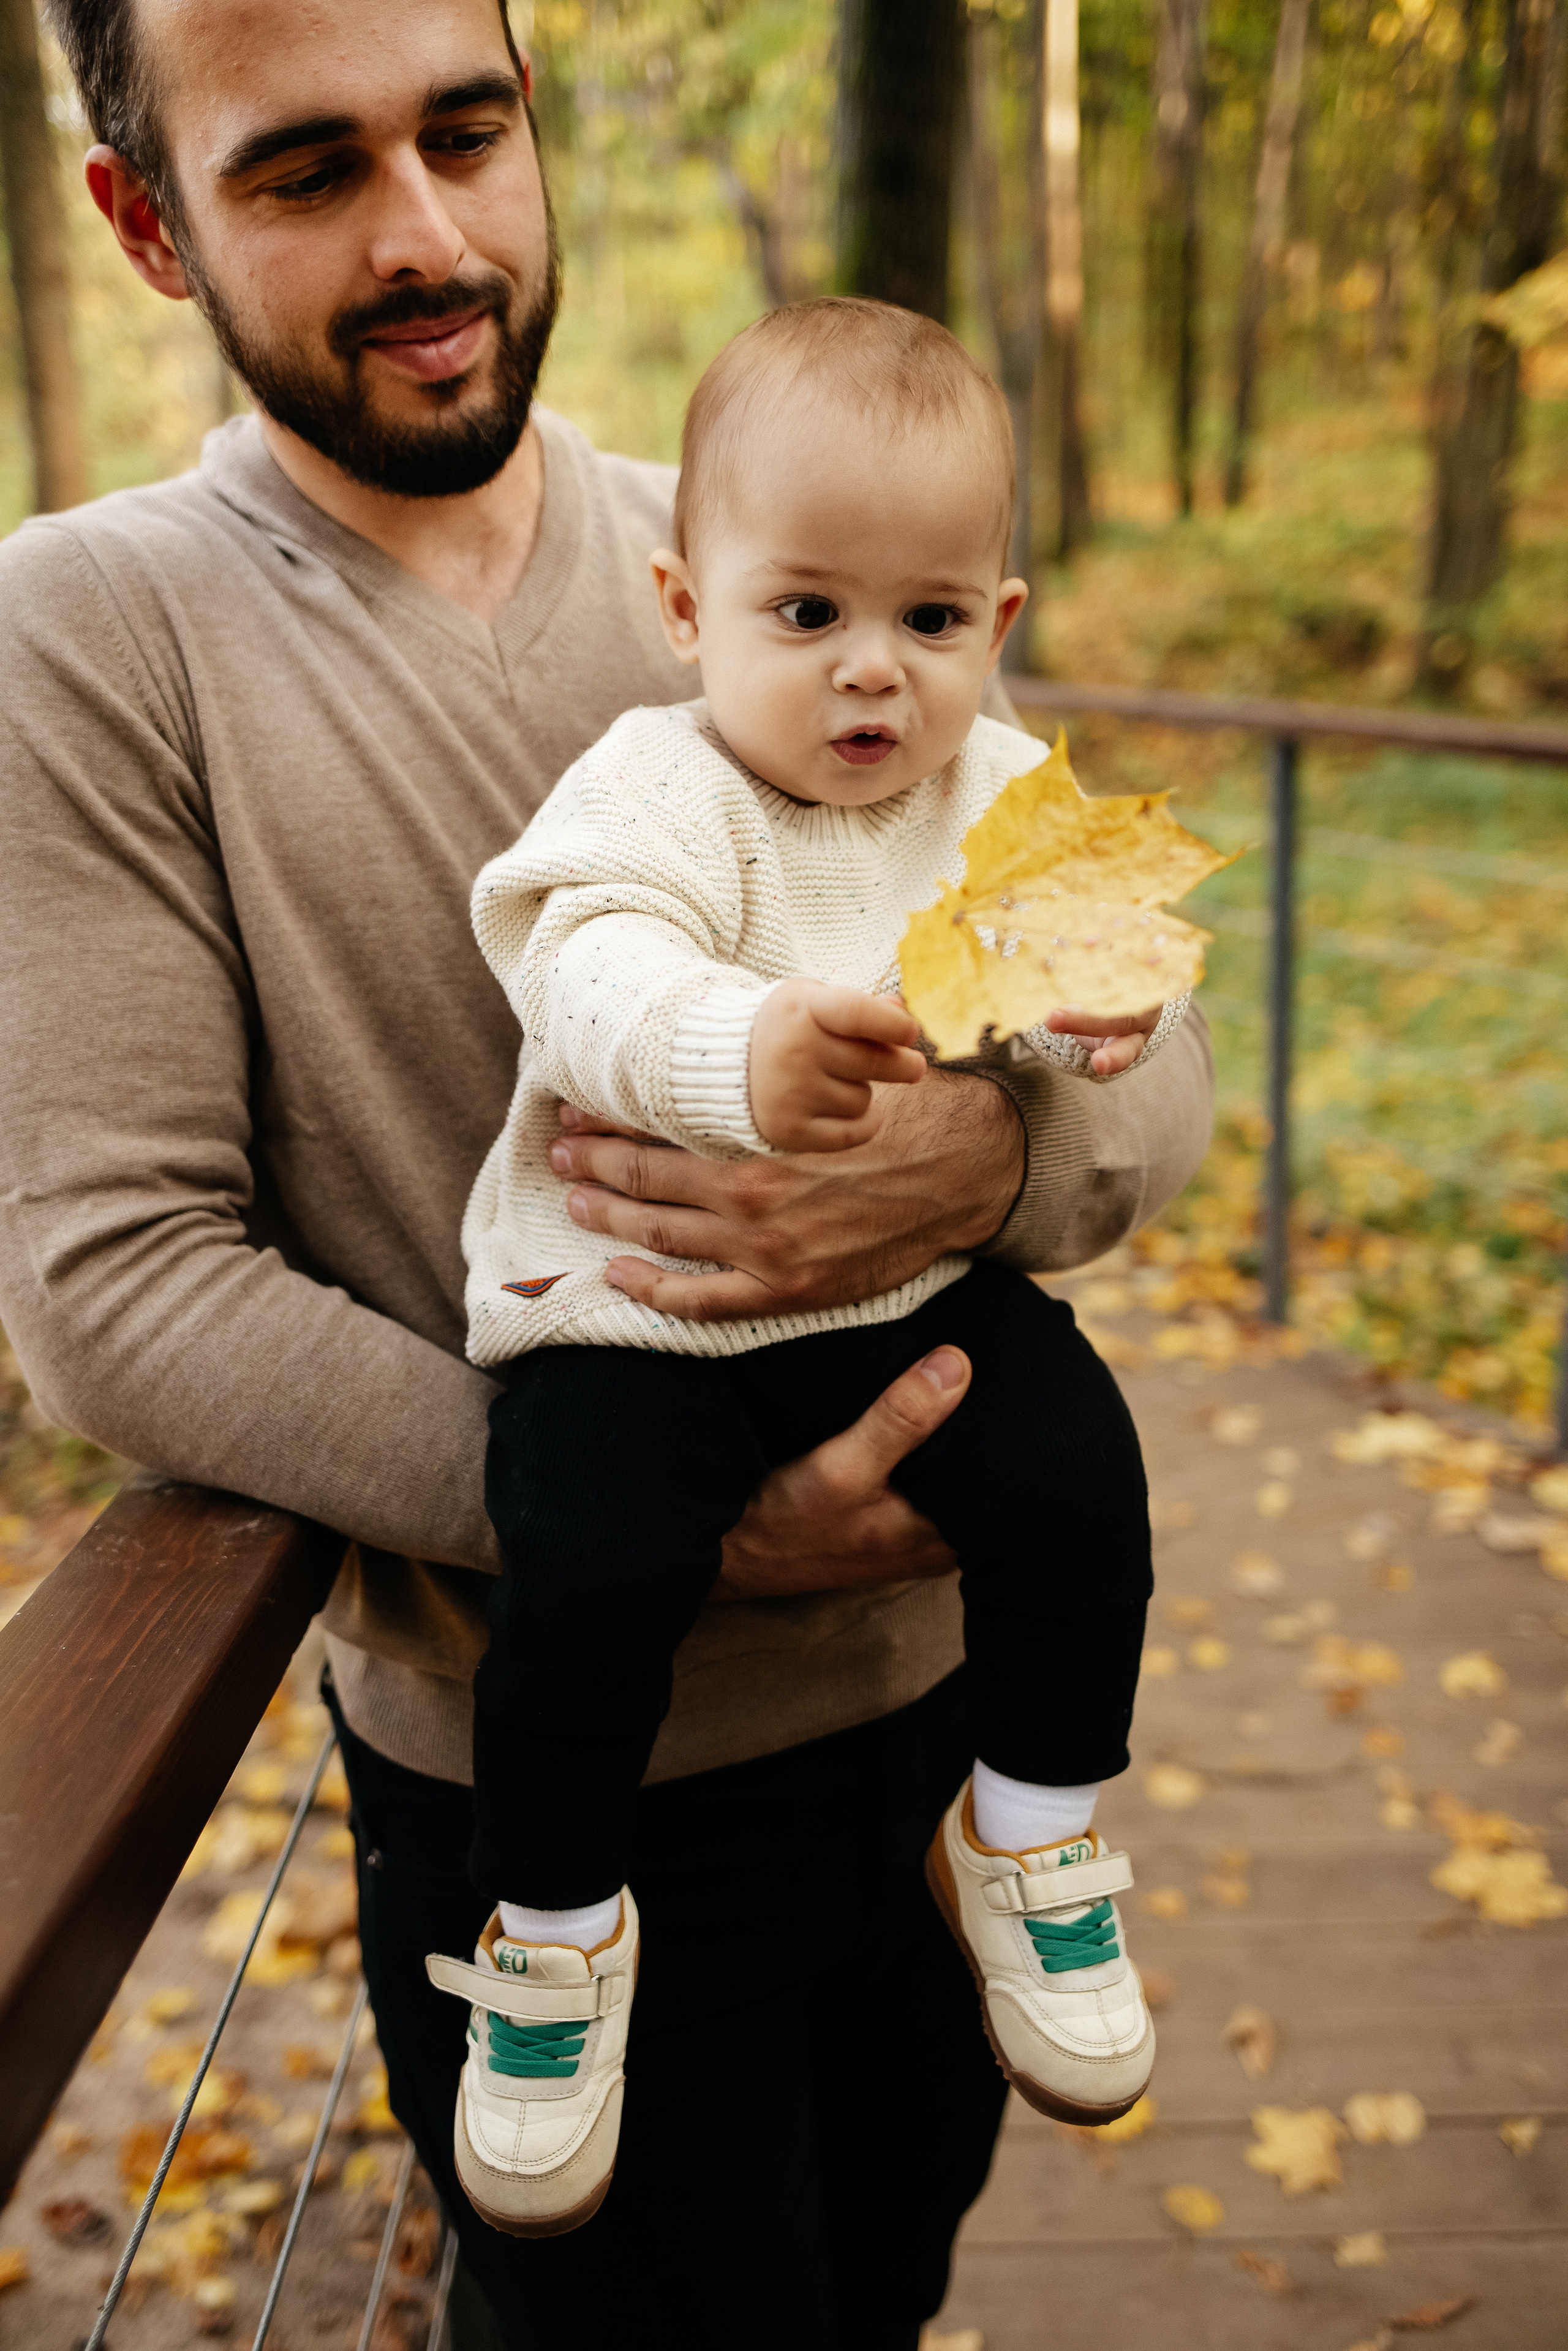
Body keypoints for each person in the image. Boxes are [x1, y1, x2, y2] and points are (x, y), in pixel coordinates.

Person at [0, 2, 1212, 2341]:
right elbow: (113, 1281)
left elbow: (1146, 1077)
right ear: (145, 221)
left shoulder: (786, 550)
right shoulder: (92, 632)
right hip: (562, 1779)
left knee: (879, 2292)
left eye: (471, 131)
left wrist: (967, 1161)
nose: (432, 231)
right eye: (308, 170)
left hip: (954, 1721)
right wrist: (661, 1534)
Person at [434, 297, 1177, 2242]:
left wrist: (1101, 1014)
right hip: (640, 1315)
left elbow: (1114, 987)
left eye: (929, 621)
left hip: (905, 1307)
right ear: (689, 607)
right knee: (587, 1564)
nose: (873, 675)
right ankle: (553, 1938)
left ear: (995, 628)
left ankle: (1034, 1838)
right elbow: (578, 955)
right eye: (807, 615)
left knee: (1078, 1472)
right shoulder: (660, 781)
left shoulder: (1002, 785)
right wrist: (728, 1053)